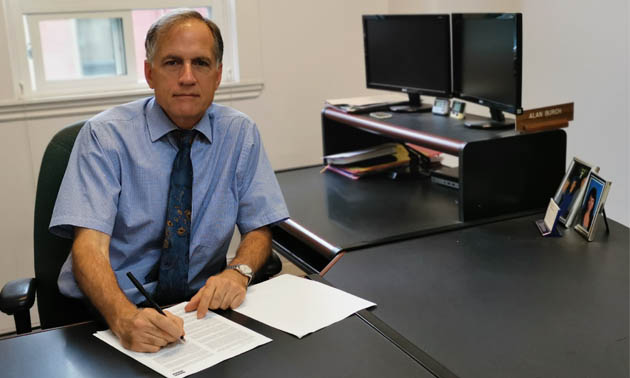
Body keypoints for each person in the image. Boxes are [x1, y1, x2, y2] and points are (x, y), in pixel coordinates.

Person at [49, 10, 289, 353]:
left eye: (201, 63)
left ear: (218, 75)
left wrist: (239, 271)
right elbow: (89, 248)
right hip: (104, 314)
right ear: (150, 72)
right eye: (173, 62)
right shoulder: (105, 136)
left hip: (197, 314)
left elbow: (260, 226)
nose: (188, 77)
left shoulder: (241, 134)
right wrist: (123, 318)